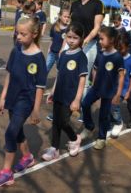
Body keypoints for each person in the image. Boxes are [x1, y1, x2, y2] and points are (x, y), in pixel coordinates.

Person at [0, 16, 47, 188]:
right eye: (17, 33)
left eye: (22, 34)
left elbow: (40, 86)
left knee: (10, 132)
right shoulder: (16, 51)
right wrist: (3, 97)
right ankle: (27, 157)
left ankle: (6, 172)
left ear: (34, 34)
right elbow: (10, 74)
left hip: (26, 101)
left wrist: (36, 110)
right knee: (17, 129)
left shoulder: (39, 58)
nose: (18, 37)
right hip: (12, 96)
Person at [42, 22, 87, 160]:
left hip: (70, 96)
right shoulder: (63, 54)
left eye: (75, 38)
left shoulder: (81, 57)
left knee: (64, 122)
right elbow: (59, 75)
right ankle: (55, 149)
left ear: (81, 39)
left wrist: (77, 99)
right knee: (56, 121)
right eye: (69, 37)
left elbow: (82, 80)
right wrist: (53, 91)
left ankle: (74, 139)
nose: (71, 40)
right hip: (59, 94)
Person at [80, 26, 124, 149]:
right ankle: (89, 126)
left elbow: (121, 77)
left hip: (109, 91)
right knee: (84, 104)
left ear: (111, 40)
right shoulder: (100, 54)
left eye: (102, 39)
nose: (99, 41)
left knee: (104, 115)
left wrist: (118, 94)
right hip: (96, 88)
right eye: (99, 39)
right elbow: (95, 69)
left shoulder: (117, 57)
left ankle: (101, 138)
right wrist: (94, 83)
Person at [70, 0, 104, 97]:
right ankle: (65, 106)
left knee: (83, 78)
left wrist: (85, 41)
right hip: (72, 43)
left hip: (88, 45)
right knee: (67, 74)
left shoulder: (98, 4)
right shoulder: (74, 4)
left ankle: (83, 111)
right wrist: (65, 44)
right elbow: (71, 26)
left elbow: (97, 27)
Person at [111, 32, 131, 137]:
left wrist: (129, 91)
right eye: (117, 47)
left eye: (121, 48)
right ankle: (112, 121)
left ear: (128, 47)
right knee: (108, 106)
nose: (118, 50)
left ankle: (118, 122)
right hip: (111, 87)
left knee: (114, 106)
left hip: (123, 89)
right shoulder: (114, 56)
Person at [46, 7, 70, 73]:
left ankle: (56, 83)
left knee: (59, 71)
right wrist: (49, 48)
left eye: (68, 17)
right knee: (46, 68)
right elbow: (52, 39)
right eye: (65, 17)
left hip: (61, 54)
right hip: (52, 52)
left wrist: (62, 51)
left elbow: (66, 42)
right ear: (60, 16)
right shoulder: (54, 26)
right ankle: (40, 82)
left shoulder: (69, 29)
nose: (67, 19)